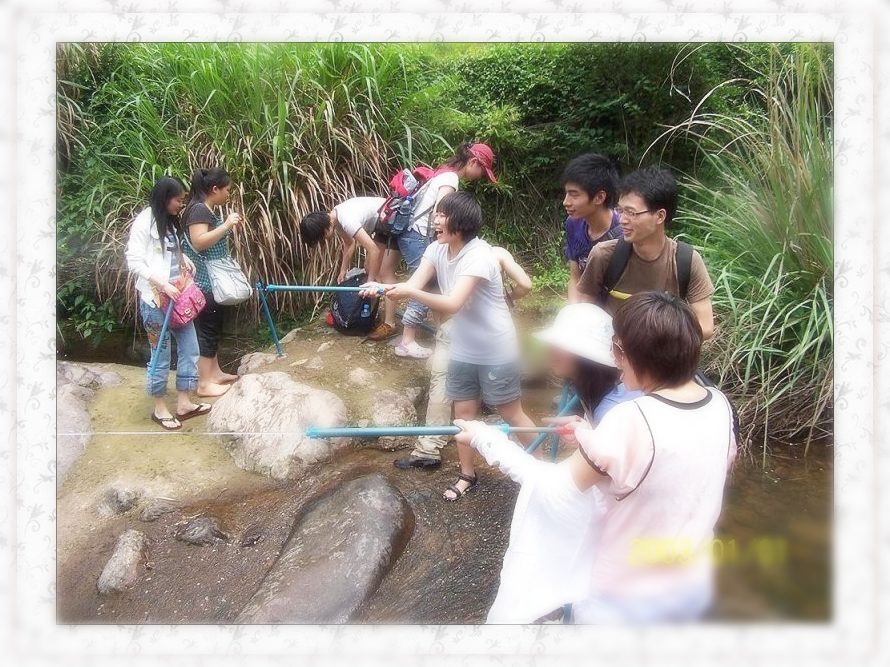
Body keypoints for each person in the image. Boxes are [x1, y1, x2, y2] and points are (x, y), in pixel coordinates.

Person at [456, 292, 736, 623]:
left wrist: (486, 440)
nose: (615, 361)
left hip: (622, 599)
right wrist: (590, 437)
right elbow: (676, 468)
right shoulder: (718, 403)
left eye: (617, 349)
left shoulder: (630, 418)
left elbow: (555, 491)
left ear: (629, 353)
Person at [361, 191, 537, 501]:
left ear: (461, 222)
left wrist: (408, 293)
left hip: (496, 349)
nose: (435, 220)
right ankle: (467, 474)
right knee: (464, 416)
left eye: (442, 215)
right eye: (437, 214)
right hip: (462, 347)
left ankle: (542, 468)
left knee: (511, 412)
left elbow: (453, 302)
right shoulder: (436, 250)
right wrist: (382, 287)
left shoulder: (479, 255)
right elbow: (412, 285)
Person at [393, 245, 534, 470]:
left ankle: (429, 448)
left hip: (455, 328)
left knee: (442, 384)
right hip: (492, 332)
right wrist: (507, 298)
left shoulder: (445, 255)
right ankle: (539, 458)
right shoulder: (497, 253)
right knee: (508, 407)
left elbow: (431, 294)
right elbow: (525, 284)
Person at [366, 142, 499, 358]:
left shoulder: (443, 172)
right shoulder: (451, 179)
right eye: (482, 171)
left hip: (407, 231)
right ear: (473, 162)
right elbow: (442, 213)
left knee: (427, 284)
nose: (481, 176)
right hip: (417, 234)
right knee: (426, 284)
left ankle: (437, 332)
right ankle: (408, 341)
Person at [576, 167, 715, 339]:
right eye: (620, 210)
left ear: (660, 216)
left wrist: (654, 339)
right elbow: (584, 312)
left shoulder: (686, 260)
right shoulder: (604, 255)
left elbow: (705, 326)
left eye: (631, 212)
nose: (622, 220)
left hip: (662, 352)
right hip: (612, 351)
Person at [124, 177, 211, 430]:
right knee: (160, 354)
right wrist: (162, 283)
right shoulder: (144, 222)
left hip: (178, 298)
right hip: (155, 300)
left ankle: (184, 403)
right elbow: (134, 261)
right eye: (178, 200)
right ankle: (159, 408)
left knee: (191, 348)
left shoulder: (168, 220)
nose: (181, 204)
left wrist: (185, 261)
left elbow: (172, 250)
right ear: (165, 198)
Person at [181, 167, 243, 397]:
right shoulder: (199, 209)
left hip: (209, 281)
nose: (228, 194)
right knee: (208, 329)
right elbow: (198, 242)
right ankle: (204, 384)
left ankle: (214, 373)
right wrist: (226, 225)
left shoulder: (202, 208)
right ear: (214, 189)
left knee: (213, 327)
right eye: (226, 189)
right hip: (204, 282)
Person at [561, 153, 623, 303]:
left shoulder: (625, 233)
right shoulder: (573, 224)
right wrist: (574, 311)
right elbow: (575, 277)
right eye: (566, 194)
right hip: (586, 308)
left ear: (599, 197)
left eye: (574, 195)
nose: (565, 202)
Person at [299, 196, 385, 284]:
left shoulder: (347, 221)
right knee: (369, 268)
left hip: (390, 217)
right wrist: (343, 270)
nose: (325, 240)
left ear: (324, 231)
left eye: (321, 238)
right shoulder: (336, 217)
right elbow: (350, 243)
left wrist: (369, 284)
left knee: (383, 274)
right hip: (382, 225)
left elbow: (374, 251)